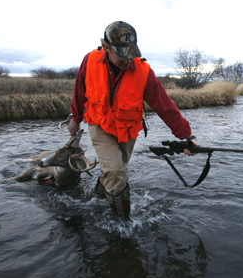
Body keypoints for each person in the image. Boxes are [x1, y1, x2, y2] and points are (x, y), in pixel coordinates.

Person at [67, 21, 199, 219]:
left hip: (128, 129)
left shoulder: (144, 71)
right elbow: (80, 92)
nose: (129, 61)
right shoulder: (90, 61)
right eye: (123, 56)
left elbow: (164, 106)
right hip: (99, 124)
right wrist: (75, 119)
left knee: (115, 171)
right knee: (116, 172)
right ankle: (123, 225)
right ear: (106, 48)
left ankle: (98, 199)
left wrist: (187, 136)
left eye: (132, 54)